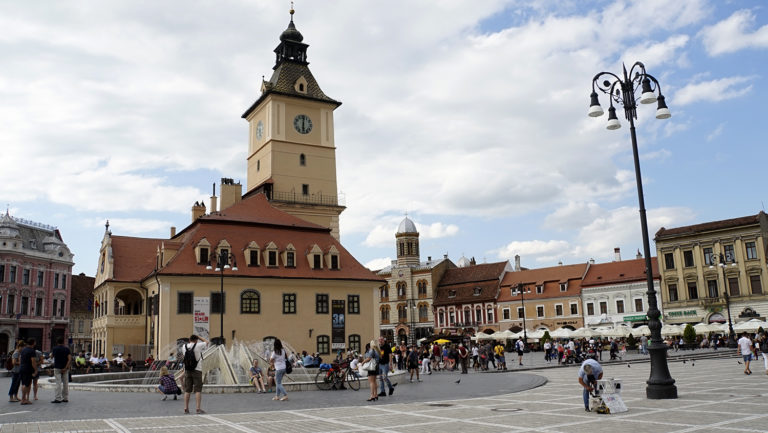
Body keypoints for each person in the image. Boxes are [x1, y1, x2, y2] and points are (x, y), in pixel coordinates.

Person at [182, 334, 209, 414]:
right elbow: (207, 342)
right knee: (198, 390)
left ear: (189, 340)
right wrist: (199, 337)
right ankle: (198, 408)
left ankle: (186, 408)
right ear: (196, 340)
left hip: (187, 370)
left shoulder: (184, 346)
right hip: (197, 370)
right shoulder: (198, 345)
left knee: (187, 390)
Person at [50, 336, 71, 403]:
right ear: (63, 342)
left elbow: (51, 356)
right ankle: (65, 398)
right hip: (65, 368)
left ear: (57, 342)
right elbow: (69, 359)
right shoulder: (67, 349)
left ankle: (58, 398)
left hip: (57, 367)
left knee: (58, 383)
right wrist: (65, 367)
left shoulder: (55, 349)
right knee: (65, 383)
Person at [19, 338, 39, 405]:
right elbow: (33, 361)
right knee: (27, 384)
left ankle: (24, 398)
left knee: (23, 383)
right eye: (35, 342)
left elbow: (20, 359)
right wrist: (36, 369)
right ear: (33, 343)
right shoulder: (32, 351)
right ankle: (23, 399)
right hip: (28, 369)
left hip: (22, 368)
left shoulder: (23, 349)